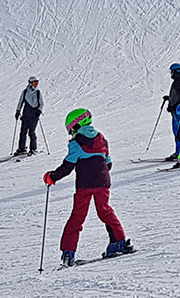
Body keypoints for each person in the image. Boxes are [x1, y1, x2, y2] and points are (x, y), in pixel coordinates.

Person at [43, 107, 135, 267]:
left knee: (77, 217)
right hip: (103, 183)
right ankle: (119, 242)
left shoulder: (76, 143)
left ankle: (68, 253)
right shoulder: (102, 139)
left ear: (77, 126)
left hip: (85, 185)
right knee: (105, 211)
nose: (71, 134)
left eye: (71, 130)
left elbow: (68, 166)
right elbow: (109, 163)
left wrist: (52, 177)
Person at [162, 63, 180, 161]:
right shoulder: (179, 80)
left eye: (171, 71)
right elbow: (178, 96)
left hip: (178, 111)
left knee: (178, 132)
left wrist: (173, 106)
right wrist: (170, 99)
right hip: (177, 110)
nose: (171, 74)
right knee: (179, 131)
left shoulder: (179, 82)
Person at [15, 76, 43, 155]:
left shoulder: (38, 93)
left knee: (32, 132)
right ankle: (22, 148)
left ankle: (33, 148)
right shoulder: (25, 92)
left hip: (34, 116)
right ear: (30, 83)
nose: (36, 85)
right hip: (26, 115)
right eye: (34, 83)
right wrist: (18, 111)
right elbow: (20, 102)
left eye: (37, 83)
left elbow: (41, 103)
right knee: (23, 132)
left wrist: (39, 110)